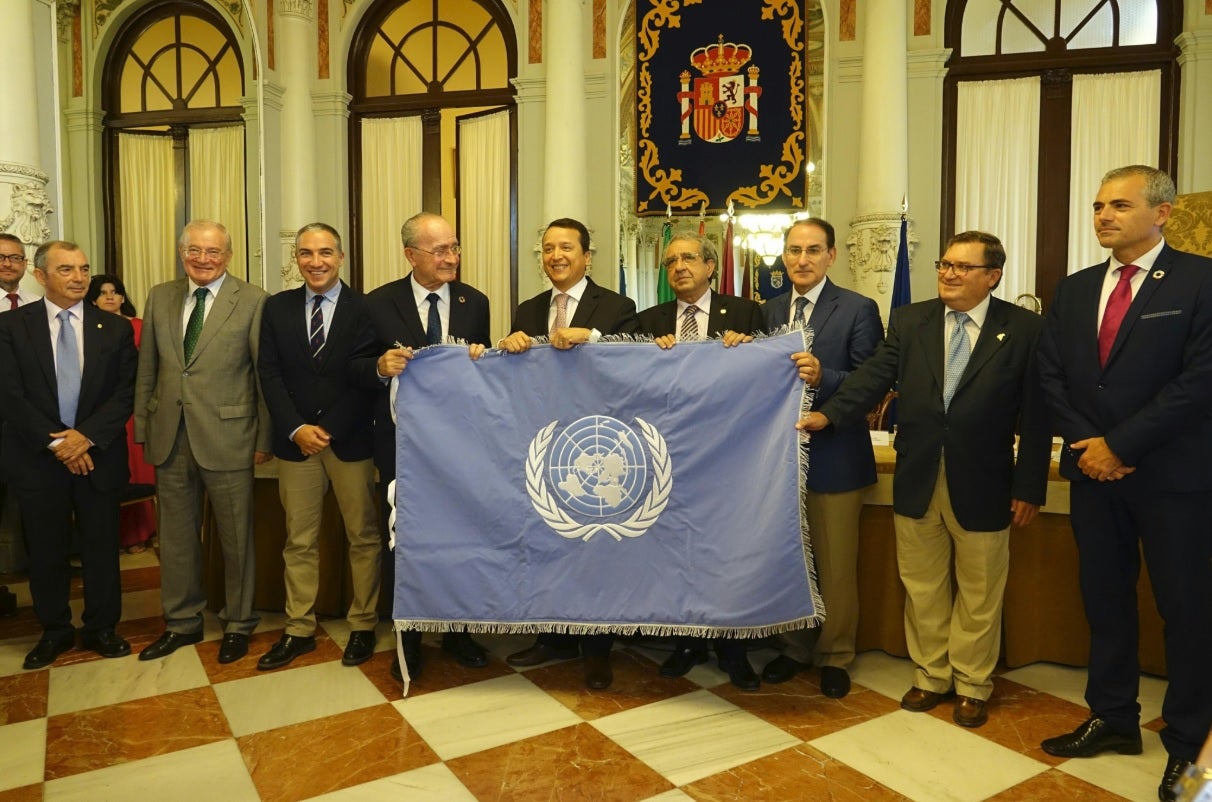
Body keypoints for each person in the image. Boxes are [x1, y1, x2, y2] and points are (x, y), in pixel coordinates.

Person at [798, 230, 1051, 727]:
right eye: (944, 264)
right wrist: (830, 415)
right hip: (917, 475)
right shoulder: (911, 320)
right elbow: (873, 376)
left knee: (979, 590)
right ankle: (932, 676)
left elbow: (1038, 416)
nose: (949, 274)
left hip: (985, 481)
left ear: (992, 276)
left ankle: (973, 683)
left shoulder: (1024, 329)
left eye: (962, 267)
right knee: (923, 585)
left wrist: (1029, 487)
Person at [1035, 165, 1212, 802]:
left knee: (1185, 610)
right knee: (1105, 601)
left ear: (1161, 213)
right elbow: (1051, 375)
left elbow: (1199, 382)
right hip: (1094, 476)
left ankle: (1190, 744)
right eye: (1098, 205)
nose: (1104, 215)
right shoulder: (1077, 289)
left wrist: (1122, 445)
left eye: (1119, 205)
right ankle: (1113, 719)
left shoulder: (1201, 280)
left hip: (1174, 479)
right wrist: (1092, 448)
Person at [499, 217, 639, 690]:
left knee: (593, 547)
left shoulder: (618, 305)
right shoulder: (528, 308)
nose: (556, 256)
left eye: (566, 247)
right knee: (544, 540)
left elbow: (635, 362)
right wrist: (509, 345)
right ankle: (552, 637)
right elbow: (515, 380)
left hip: (595, 446)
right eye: (548, 248)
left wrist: (593, 338)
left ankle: (596, 649)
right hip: (543, 443)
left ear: (586, 256)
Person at [135, 220, 272, 665]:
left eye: (213, 251)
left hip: (230, 436)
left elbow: (262, 377)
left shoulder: (253, 301)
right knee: (175, 538)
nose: (204, 259)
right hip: (169, 436)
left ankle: (238, 622)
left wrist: (264, 437)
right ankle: (182, 622)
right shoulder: (160, 295)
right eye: (195, 250)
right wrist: (143, 427)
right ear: (182, 252)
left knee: (236, 537)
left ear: (228, 255)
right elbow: (148, 370)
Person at [636, 229, 766, 691]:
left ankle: (732, 647)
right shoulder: (647, 321)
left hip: (731, 456)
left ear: (711, 266)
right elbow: (628, 383)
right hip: (668, 458)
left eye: (689, 258)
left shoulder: (749, 312)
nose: (679, 268)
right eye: (670, 262)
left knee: (725, 552)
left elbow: (770, 373)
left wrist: (748, 347)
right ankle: (685, 641)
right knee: (675, 550)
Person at [760, 219, 883, 698]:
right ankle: (793, 647)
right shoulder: (768, 311)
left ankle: (834, 655)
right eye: (794, 251)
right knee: (790, 559)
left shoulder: (857, 309)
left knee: (834, 564)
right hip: (776, 463)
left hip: (835, 457)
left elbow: (871, 380)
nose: (802, 260)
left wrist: (823, 375)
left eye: (813, 250)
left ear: (832, 256)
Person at [366, 212, 491, 680]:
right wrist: (380, 367)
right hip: (402, 447)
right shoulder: (378, 303)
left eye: (454, 248)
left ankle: (458, 632)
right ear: (410, 255)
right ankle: (408, 641)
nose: (450, 258)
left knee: (462, 538)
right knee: (406, 543)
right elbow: (355, 369)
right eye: (439, 250)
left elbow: (484, 377)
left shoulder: (475, 302)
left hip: (461, 449)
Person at [0, 240, 137, 669]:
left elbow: (125, 391)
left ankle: (102, 628)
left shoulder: (113, 328)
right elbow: (10, 395)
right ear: (40, 276)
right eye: (66, 270)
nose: (78, 278)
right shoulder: (10, 326)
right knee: (46, 550)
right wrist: (60, 443)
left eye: (83, 269)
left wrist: (85, 438)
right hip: (39, 459)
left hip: (97, 456)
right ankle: (55, 629)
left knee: (100, 548)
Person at [256, 223, 385, 671]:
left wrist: (325, 427)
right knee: (299, 540)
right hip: (297, 446)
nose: (316, 261)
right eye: (306, 253)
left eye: (325, 252)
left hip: (349, 441)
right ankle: (298, 629)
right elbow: (268, 374)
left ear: (341, 257)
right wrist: (296, 429)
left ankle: (363, 625)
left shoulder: (366, 308)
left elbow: (367, 377)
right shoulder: (277, 308)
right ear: (296, 259)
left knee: (363, 537)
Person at [86, 274, 156, 554]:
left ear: (124, 297)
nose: (110, 297)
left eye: (115, 292)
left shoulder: (140, 327)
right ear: (93, 299)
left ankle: (144, 532)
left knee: (141, 470)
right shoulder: (88, 329)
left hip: (138, 408)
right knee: (115, 473)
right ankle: (116, 536)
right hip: (104, 411)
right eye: (103, 293)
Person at [0, 233, 39, 309]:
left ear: (24, 264)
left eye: (15, 258)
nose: (7, 264)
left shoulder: (37, 303)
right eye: (0, 257)